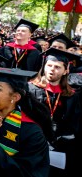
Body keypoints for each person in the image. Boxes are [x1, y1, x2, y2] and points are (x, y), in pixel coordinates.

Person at [28, 48, 82, 177]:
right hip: (32, 145)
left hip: (60, 148)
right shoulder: (30, 89)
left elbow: (74, 125)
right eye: (49, 65)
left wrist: (57, 140)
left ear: (66, 71)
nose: (52, 69)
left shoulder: (72, 96)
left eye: (57, 67)